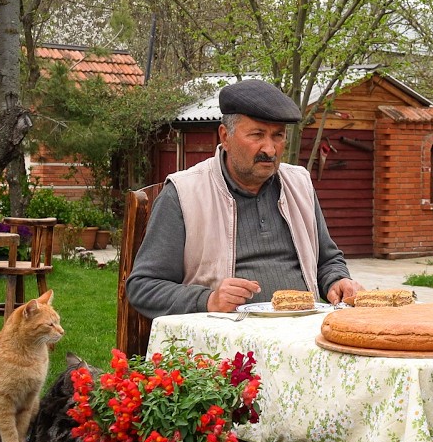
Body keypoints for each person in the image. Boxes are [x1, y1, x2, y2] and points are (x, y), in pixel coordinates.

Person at [127, 78, 364, 319]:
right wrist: (208, 299)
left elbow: (327, 260)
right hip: (223, 343)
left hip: (302, 334)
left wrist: (337, 280)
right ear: (225, 137)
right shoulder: (184, 193)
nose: (270, 149)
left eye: (278, 136)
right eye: (257, 135)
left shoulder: (299, 184)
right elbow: (143, 286)